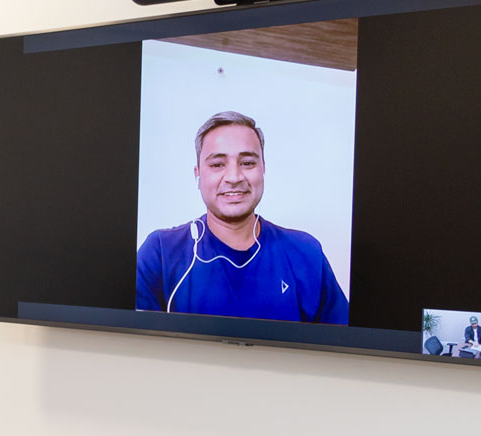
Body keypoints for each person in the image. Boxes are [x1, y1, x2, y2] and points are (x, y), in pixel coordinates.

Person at [136, 111, 349, 324]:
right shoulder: (160, 253)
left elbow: (343, 346)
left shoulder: (305, 253)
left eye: (247, 163)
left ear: (263, 168)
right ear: (198, 174)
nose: (234, 177)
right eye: (218, 164)